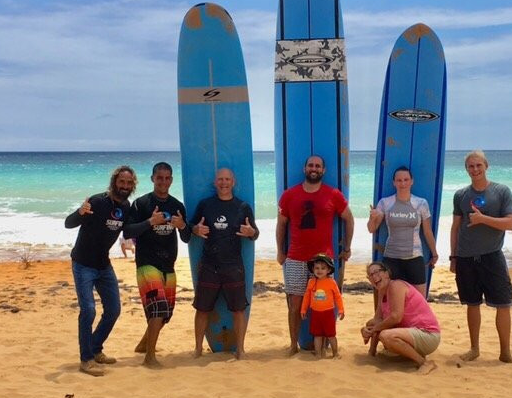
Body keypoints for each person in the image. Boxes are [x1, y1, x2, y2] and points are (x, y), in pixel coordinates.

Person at [276, 155, 354, 355]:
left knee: (324, 305)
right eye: (310, 165)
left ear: (323, 171)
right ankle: (294, 345)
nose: (314, 168)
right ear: (304, 168)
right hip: (295, 258)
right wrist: (280, 251)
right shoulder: (289, 195)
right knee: (294, 304)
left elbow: (349, 218)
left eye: (318, 166)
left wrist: (347, 247)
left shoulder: (333, 194)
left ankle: (325, 345)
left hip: (322, 261)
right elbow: (281, 224)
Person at [64, 165, 136, 377]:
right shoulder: (97, 201)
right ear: (114, 182)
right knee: (88, 310)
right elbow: (68, 224)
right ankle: (86, 360)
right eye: (121, 182)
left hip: (103, 265)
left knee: (113, 310)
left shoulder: (127, 207)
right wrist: (80, 212)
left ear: (133, 186)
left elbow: (129, 231)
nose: (124, 186)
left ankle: (95, 348)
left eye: (129, 183)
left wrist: (152, 222)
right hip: (83, 264)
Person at [449, 150, 512, 363]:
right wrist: (453, 257)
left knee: (504, 304)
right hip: (466, 257)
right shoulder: (460, 195)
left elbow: (511, 223)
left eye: (478, 165)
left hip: (492, 256)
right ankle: (474, 348)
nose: (475, 170)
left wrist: (483, 219)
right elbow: (455, 228)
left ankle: (505, 352)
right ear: (466, 169)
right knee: (472, 303)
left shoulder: (501, 191)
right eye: (471, 166)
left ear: (486, 166)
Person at [124, 162, 191, 368]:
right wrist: (150, 222)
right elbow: (127, 232)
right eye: (159, 178)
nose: (163, 182)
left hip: (168, 264)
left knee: (166, 314)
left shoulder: (177, 205)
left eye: (167, 178)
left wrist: (182, 226)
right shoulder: (141, 203)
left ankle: (144, 344)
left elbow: (187, 237)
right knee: (158, 309)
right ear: (152, 179)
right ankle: (149, 358)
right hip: (147, 263)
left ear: (171, 180)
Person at [189, 168, 259, 360]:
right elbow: (190, 228)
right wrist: (196, 229)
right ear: (215, 182)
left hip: (233, 265)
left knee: (238, 309)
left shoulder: (242, 207)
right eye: (220, 179)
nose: (224, 182)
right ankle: (197, 348)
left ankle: (240, 349)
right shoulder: (205, 205)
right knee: (202, 308)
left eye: (227, 179)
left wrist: (251, 233)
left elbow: (255, 233)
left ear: (233, 182)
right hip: (210, 265)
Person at [367, 166, 439, 297]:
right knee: (391, 300)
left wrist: (434, 253)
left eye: (406, 179)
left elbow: (427, 231)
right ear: (394, 182)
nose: (403, 183)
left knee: (419, 301)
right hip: (391, 259)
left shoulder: (421, 203)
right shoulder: (385, 203)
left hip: (414, 258)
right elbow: (372, 229)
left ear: (412, 181)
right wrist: (372, 218)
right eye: (399, 180)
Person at [361, 261, 440, 374]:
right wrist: (367, 331)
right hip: (413, 333)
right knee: (371, 323)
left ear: (387, 274)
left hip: (428, 334)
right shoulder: (381, 292)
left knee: (386, 336)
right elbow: (377, 320)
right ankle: (373, 354)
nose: (374, 276)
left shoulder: (395, 286)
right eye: (371, 275)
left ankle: (424, 363)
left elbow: (396, 317)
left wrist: (374, 329)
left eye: (377, 272)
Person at [300, 253, 345, 359]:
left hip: (328, 313)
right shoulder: (311, 282)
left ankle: (335, 353)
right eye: (317, 268)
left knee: (331, 335)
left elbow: (338, 297)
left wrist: (341, 310)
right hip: (315, 313)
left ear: (328, 270)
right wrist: (303, 309)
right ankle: (318, 353)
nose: (319, 271)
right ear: (313, 269)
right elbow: (306, 297)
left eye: (323, 268)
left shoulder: (331, 282)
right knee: (317, 335)